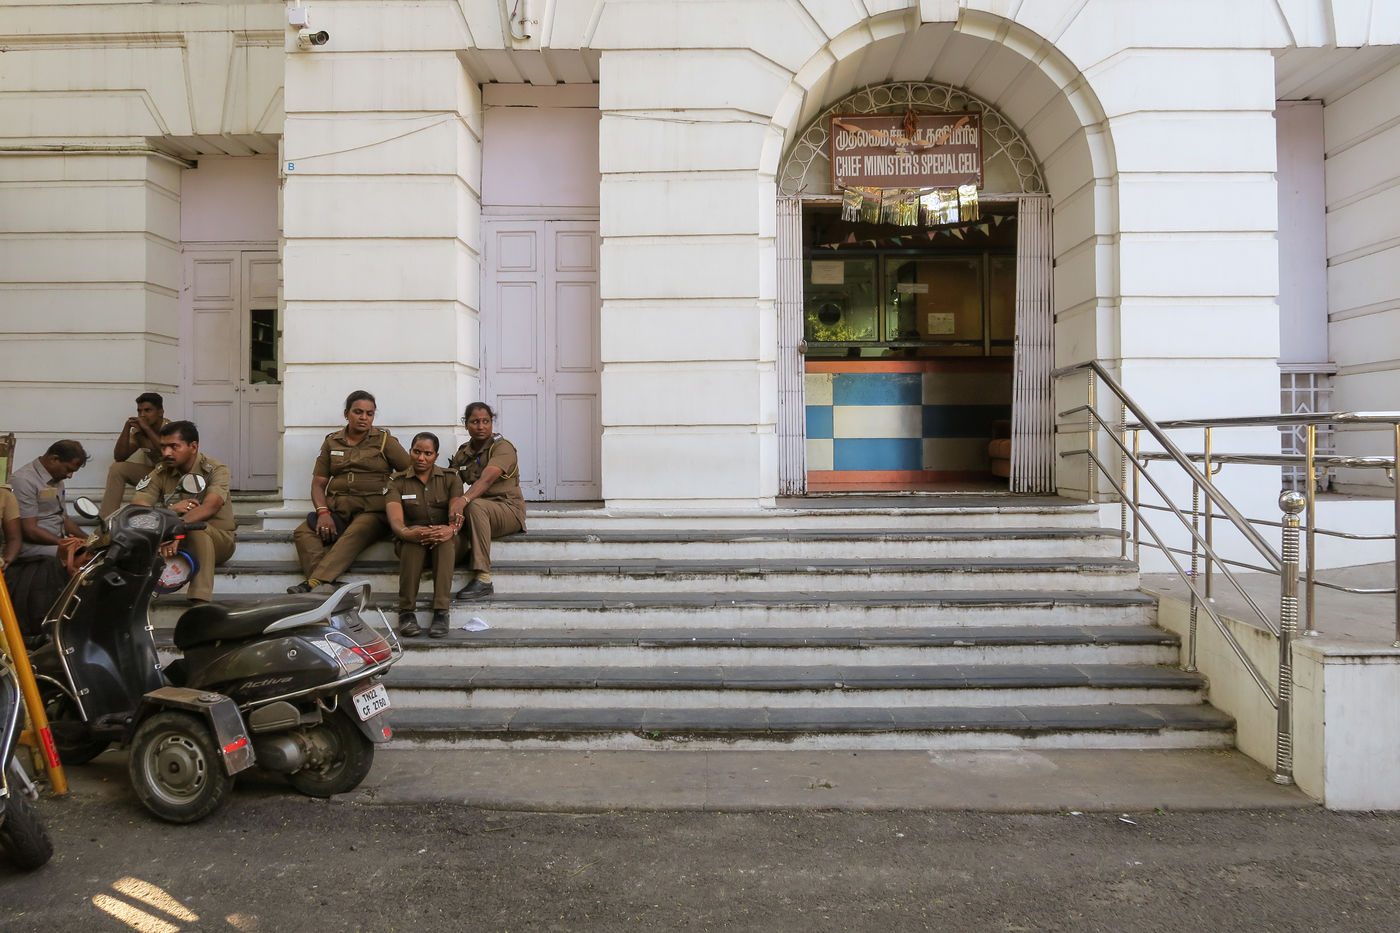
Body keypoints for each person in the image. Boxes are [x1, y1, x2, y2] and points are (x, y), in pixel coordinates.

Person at [288, 390, 411, 594]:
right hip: (338, 510)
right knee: (303, 532)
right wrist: (323, 512)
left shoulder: (384, 441)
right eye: (358, 412)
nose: (364, 418)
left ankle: (313, 583)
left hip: (373, 511)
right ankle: (325, 585)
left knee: (356, 532)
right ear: (347, 414)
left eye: (369, 413)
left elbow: (410, 473)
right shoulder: (332, 441)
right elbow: (318, 483)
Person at [131, 421, 236, 604]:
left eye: (174, 447)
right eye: (163, 447)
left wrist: (175, 529)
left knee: (197, 528)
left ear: (193, 447)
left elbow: (211, 506)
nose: (166, 453)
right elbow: (138, 509)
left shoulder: (216, 470)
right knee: (136, 531)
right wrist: (169, 511)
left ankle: (199, 602)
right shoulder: (161, 471)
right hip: (173, 540)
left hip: (219, 541)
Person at [385, 432, 465, 638]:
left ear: (436, 456)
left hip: (447, 542)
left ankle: (441, 612)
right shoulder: (397, 481)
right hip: (413, 542)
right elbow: (395, 520)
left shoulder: (451, 478)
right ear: (410, 452)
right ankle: (406, 612)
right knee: (412, 543)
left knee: (445, 542)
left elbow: (456, 514)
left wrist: (449, 530)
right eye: (417, 452)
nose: (421, 458)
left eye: (428, 453)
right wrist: (407, 533)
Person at [7, 440, 88, 638]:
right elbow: (29, 530)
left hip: (54, 541)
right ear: (54, 459)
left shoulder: (56, 479)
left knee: (90, 555)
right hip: (29, 546)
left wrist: (89, 539)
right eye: (69, 470)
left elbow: (64, 519)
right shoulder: (23, 480)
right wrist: (63, 544)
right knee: (72, 557)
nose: (69, 476)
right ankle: (49, 627)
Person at [448, 402, 525, 600]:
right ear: (466, 424)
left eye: (486, 421)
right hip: (478, 512)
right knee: (456, 506)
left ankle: (483, 578)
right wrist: (454, 504)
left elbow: (486, 479)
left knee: (474, 505)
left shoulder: (503, 447)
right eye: (475, 422)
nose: (481, 426)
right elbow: (453, 481)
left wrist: (463, 500)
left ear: (492, 423)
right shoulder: (463, 452)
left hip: (508, 510)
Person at [100, 392, 168, 517]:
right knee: (117, 468)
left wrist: (147, 429)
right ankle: (106, 519)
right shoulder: (139, 432)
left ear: (160, 412)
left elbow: (166, 452)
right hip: (157, 475)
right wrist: (127, 428)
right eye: (139, 411)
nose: (142, 415)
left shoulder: (170, 428)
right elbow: (119, 456)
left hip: (174, 478)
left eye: (147, 410)